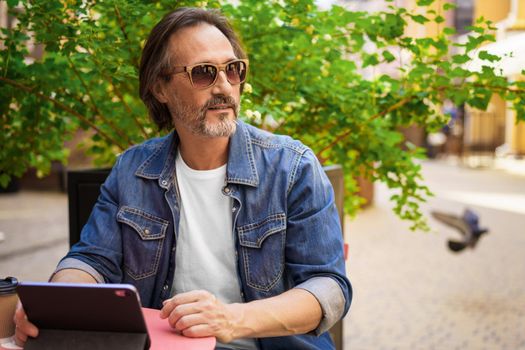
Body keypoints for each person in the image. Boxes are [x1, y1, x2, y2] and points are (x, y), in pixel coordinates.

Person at [14, 7, 351, 349]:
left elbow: (329, 288)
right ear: (160, 87)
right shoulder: (132, 170)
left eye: (233, 70)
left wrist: (232, 319)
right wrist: (56, 303)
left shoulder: (292, 167)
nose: (224, 87)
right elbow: (91, 260)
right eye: (204, 73)